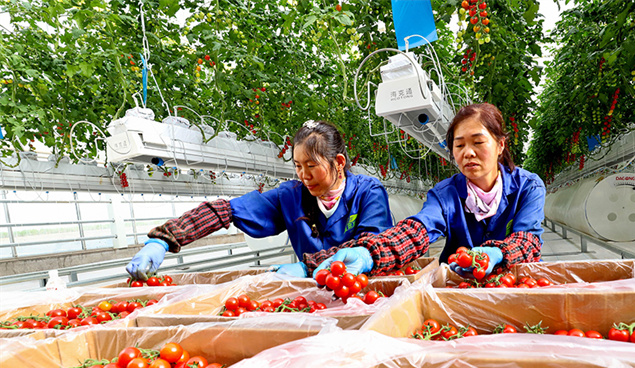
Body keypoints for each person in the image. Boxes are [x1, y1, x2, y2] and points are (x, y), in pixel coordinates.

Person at [126, 120, 394, 279]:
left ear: (339, 162)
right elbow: (227, 211)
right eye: (298, 166)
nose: (304, 175)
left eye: (311, 166)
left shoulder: (368, 192)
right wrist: (164, 238)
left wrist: (306, 267)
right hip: (317, 299)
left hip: (363, 295)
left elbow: (370, 247)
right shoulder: (292, 196)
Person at [308, 103, 545, 279]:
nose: (468, 152)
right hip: (459, 288)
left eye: (478, 142)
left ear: (500, 145)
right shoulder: (445, 195)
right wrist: (369, 253)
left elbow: (528, 241)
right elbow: (416, 231)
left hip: (515, 284)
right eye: (459, 145)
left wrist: (498, 253)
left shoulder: (528, 187)